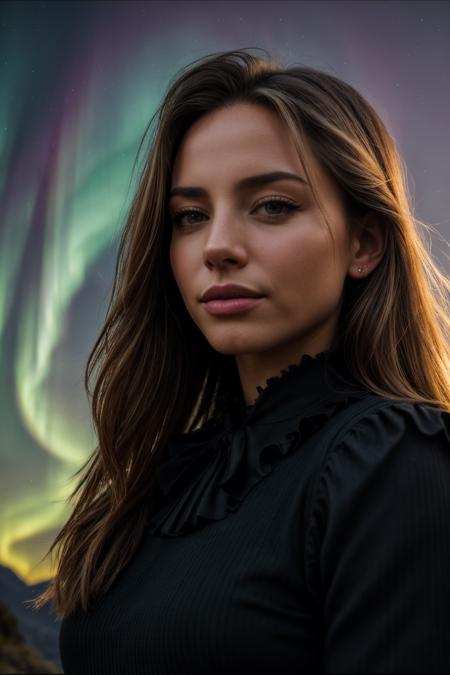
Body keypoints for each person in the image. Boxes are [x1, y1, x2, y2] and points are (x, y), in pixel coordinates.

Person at [29, 48, 450, 674]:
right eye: (190, 216)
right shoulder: (158, 483)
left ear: (363, 244)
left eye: (273, 205)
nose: (218, 246)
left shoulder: (393, 461)